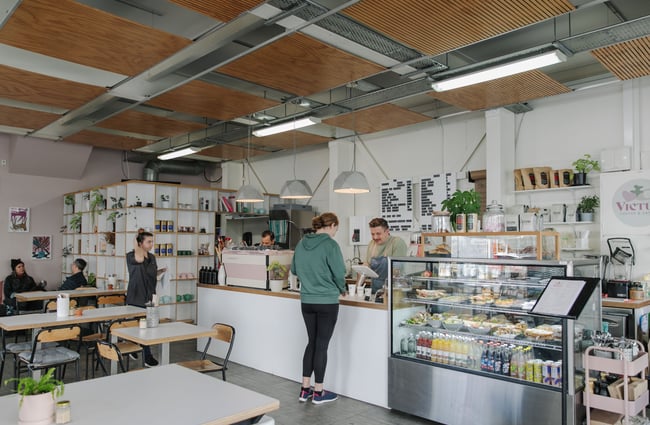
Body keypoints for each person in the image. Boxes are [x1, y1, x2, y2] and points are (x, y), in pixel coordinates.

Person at [291, 212, 346, 405]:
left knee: (311, 343)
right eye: (336, 228)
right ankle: (319, 392)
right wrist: (342, 288)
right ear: (331, 225)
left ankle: (305, 389)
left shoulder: (301, 243)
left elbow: (295, 270)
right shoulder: (330, 245)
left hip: (306, 301)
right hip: (327, 302)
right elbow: (340, 272)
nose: (335, 232)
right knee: (322, 345)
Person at [126, 230, 166, 367]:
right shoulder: (131, 256)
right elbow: (139, 259)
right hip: (136, 297)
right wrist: (135, 238)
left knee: (148, 327)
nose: (151, 244)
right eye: (149, 242)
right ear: (140, 243)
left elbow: (151, 274)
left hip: (150, 296)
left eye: (152, 241)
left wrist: (160, 273)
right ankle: (147, 356)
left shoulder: (153, 257)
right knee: (140, 327)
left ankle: (133, 346)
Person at [365, 217, 408, 293]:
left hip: (393, 291)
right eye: (372, 234)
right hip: (375, 290)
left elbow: (396, 271)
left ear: (387, 231)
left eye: (378, 234)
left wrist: (386, 291)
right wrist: (356, 288)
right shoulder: (371, 244)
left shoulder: (397, 242)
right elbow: (366, 266)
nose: (375, 237)